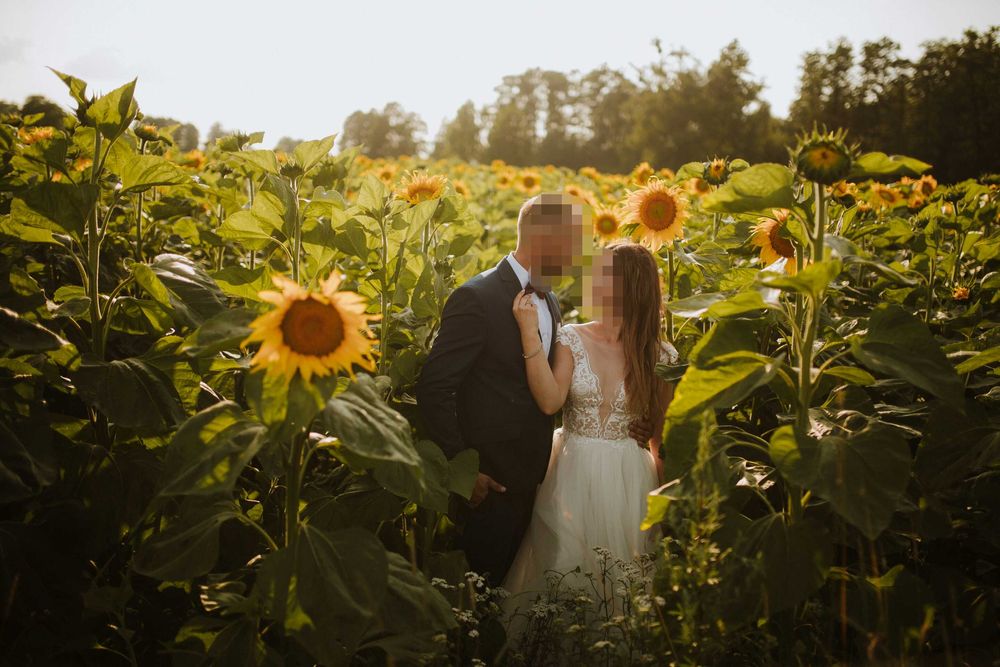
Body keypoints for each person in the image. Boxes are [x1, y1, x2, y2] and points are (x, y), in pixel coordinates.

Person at [415, 194, 655, 589]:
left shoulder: (551, 301)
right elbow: (435, 386)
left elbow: (561, 385)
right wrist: (463, 469)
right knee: (480, 592)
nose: (578, 257)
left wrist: (628, 419)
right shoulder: (477, 297)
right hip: (490, 483)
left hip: (545, 480)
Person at [500, 240, 679, 631]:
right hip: (570, 474)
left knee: (625, 588)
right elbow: (550, 401)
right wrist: (529, 333)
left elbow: (659, 437)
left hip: (630, 481)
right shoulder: (572, 338)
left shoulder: (661, 355)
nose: (593, 279)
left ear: (628, 285)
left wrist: (667, 513)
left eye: (603, 273)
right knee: (563, 569)